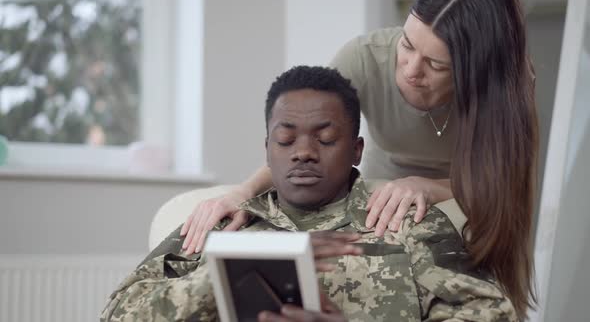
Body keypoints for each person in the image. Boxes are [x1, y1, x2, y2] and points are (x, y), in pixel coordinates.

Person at [182, 0, 538, 319]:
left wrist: (431, 187)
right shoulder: (364, 58)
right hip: (388, 178)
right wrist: (242, 192)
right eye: (408, 45)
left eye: (437, 65)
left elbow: (504, 182)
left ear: (476, 66)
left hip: (473, 186)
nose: (412, 70)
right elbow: (308, 132)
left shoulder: (507, 85)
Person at [102, 66, 517, 321]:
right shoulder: (220, 227)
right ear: (267, 149)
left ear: (356, 150)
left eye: (325, 138)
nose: (303, 152)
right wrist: (221, 277)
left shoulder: (406, 221)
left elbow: (493, 316)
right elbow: (116, 316)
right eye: (285, 139)